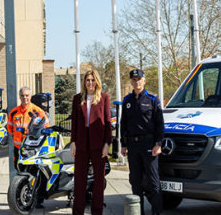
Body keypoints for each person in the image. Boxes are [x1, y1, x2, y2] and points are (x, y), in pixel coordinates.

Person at [120, 69, 164, 215]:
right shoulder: (127, 101)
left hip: (149, 144)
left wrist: (158, 143)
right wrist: (123, 144)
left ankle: (157, 212)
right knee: (135, 180)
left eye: (139, 79)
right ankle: (138, 211)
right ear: (131, 82)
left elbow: (159, 123)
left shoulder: (152, 99)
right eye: (133, 79)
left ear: (144, 80)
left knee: (153, 180)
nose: (136, 82)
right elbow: (123, 123)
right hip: (132, 145)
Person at [70, 70, 112, 215]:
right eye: (87, 80)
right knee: (79, 181)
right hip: (81, 143)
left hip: (98, 144)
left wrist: (107, 144)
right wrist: (73, 142)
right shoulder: (77, 99)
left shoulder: (104, 98)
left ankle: (97, 211)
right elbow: (74, 123)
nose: (90, 83)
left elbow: (107, 123)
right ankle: (78, 211)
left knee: (98, 181)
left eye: (92, 80)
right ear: (84, 82)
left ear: (97, 82)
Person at [6, 86, 49, 207]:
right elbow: (10, 128)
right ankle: (21, 199)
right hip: (19, 150)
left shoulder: (38, 111)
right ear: (20, 96)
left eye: (27, 95)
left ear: (30, 96)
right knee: (20, 174)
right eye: (23, 95)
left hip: (33, 150)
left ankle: (38, 200)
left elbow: (46, 127)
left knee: (36, 174)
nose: (25, 98)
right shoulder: (14, 112)